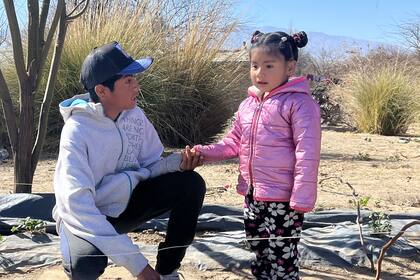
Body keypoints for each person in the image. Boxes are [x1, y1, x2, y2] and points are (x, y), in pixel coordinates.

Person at [52, 41, 206, 280]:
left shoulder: (135, 116)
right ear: (102, 91)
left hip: (127, 204)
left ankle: (167, 272)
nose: (137, 85)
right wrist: (139, 267)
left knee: (191, 184)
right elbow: (78, 206)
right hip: (86, 216)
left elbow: (151, 163)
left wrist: (178, 163)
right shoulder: (76, 131)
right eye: (128, 81)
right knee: (84, 262)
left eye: (135, 78)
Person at [193, 31, 321, 279]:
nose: (259, 73)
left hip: (283, 199)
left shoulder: (300, 104)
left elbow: (307, 152)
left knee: (282, 256)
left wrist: (302, 195)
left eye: (269, 66)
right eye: (254, 65)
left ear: (290, 67)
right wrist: (203, 153)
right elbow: (233, 142)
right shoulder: (248, 105)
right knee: (258, 249)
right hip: (253, 194)